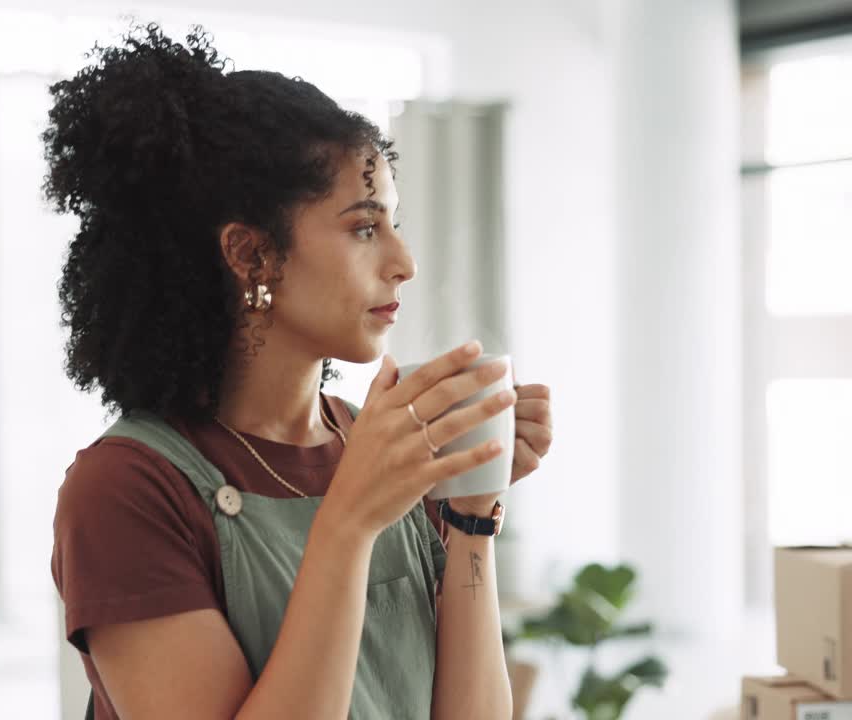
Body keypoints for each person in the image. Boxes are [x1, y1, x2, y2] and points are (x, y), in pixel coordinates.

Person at [46, 23, 553, 720]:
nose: (405, 261)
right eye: (365, 228)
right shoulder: (127, 489)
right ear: (251, 254)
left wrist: (469, 510)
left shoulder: (377, 448)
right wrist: (347, 524)